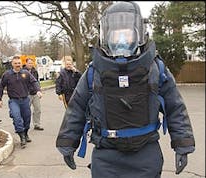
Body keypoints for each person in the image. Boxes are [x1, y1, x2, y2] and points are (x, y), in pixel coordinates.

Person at [56, 2, 195, 178]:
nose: (121, 41)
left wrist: (183, 145)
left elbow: (175, 108)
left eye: (127, 35)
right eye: (116, 36)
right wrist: (67, 144)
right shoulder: (94, 72)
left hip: (145, 155)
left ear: (139, 35)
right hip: (106, 156)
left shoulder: (156, 69)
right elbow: (76, 109)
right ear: (106, 37)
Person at [0, 56, 42, 148]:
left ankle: (25, 133)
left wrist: (38, 90)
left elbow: (34, 82)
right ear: (12, 64)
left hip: (25, 100)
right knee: (17, 118)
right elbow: (1, 86)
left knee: (27, 119)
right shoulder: (7, 74)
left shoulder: (25, 73)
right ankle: (22, 137)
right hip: (14, 101)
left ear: (21, 64)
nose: (18, 65)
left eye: (19, 63)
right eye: (16, 63)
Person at [23, 58, 44, 131]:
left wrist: (39, 90)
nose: (30, 65)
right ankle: (23, 125)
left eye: (32, 63)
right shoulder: (22, 72)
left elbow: (37, 82)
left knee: (38, 109)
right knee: (26, 110)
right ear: (26, 63)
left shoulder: (35, 71)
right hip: (26, 94)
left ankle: (37, 124)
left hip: (35, 93)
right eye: (29, 63)